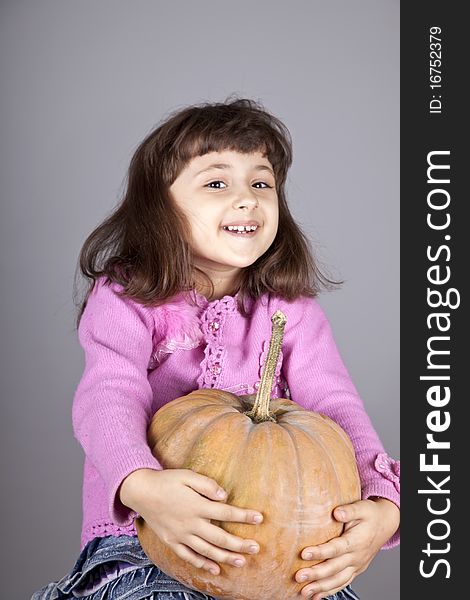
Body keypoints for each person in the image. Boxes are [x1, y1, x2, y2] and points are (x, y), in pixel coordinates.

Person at [32, 97, 400, 600]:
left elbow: (336, 408)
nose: (247, 199)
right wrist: (142, 486)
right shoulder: (128, 297)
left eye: (261, 183)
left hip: (278, 553)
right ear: (158, 207)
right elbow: (109, 394)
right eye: (216, 183)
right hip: (150, 535)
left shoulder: (289, 309)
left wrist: (383, 504)